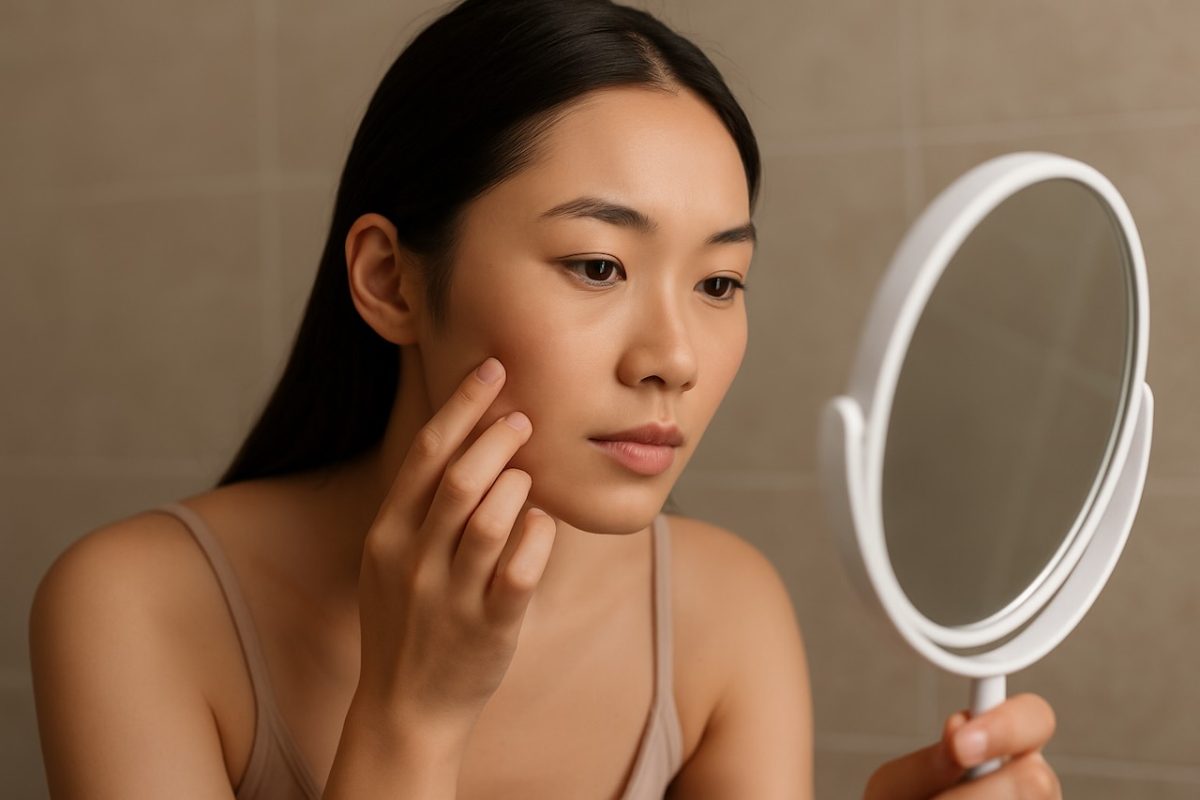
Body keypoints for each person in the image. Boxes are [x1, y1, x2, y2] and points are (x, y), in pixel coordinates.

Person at [27, 0, 1060, 797]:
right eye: (597, 265)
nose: (674, 358)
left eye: (719, 282)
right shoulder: (138, 608)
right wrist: (410, 720)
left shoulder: (723, 613)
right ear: (391, 280)